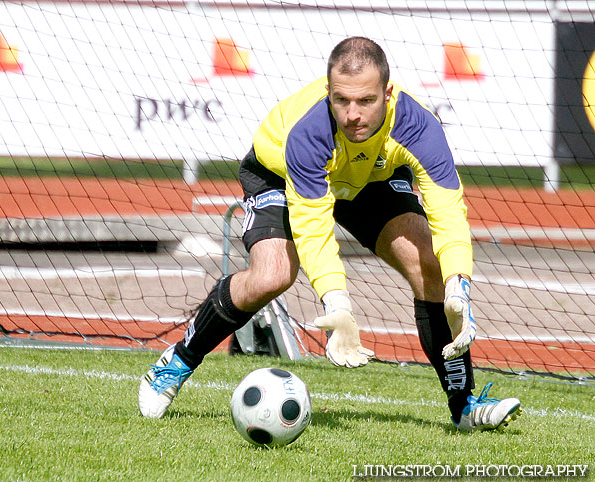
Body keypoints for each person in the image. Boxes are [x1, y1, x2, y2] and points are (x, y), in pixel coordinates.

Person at [139, 37, 522, 431]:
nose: (353, 115)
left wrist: (458, 282)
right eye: (342, 101)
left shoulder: (418, 127)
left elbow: (447, 210)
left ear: (388, 94)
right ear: (328, 92)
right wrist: (336, 304)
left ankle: (464, 407)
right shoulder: (308, 133)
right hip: (280, 171)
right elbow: (313, 226)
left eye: (366, 101)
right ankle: (178, 361)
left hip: (368, 177)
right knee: (272, 275)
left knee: (430, 265)